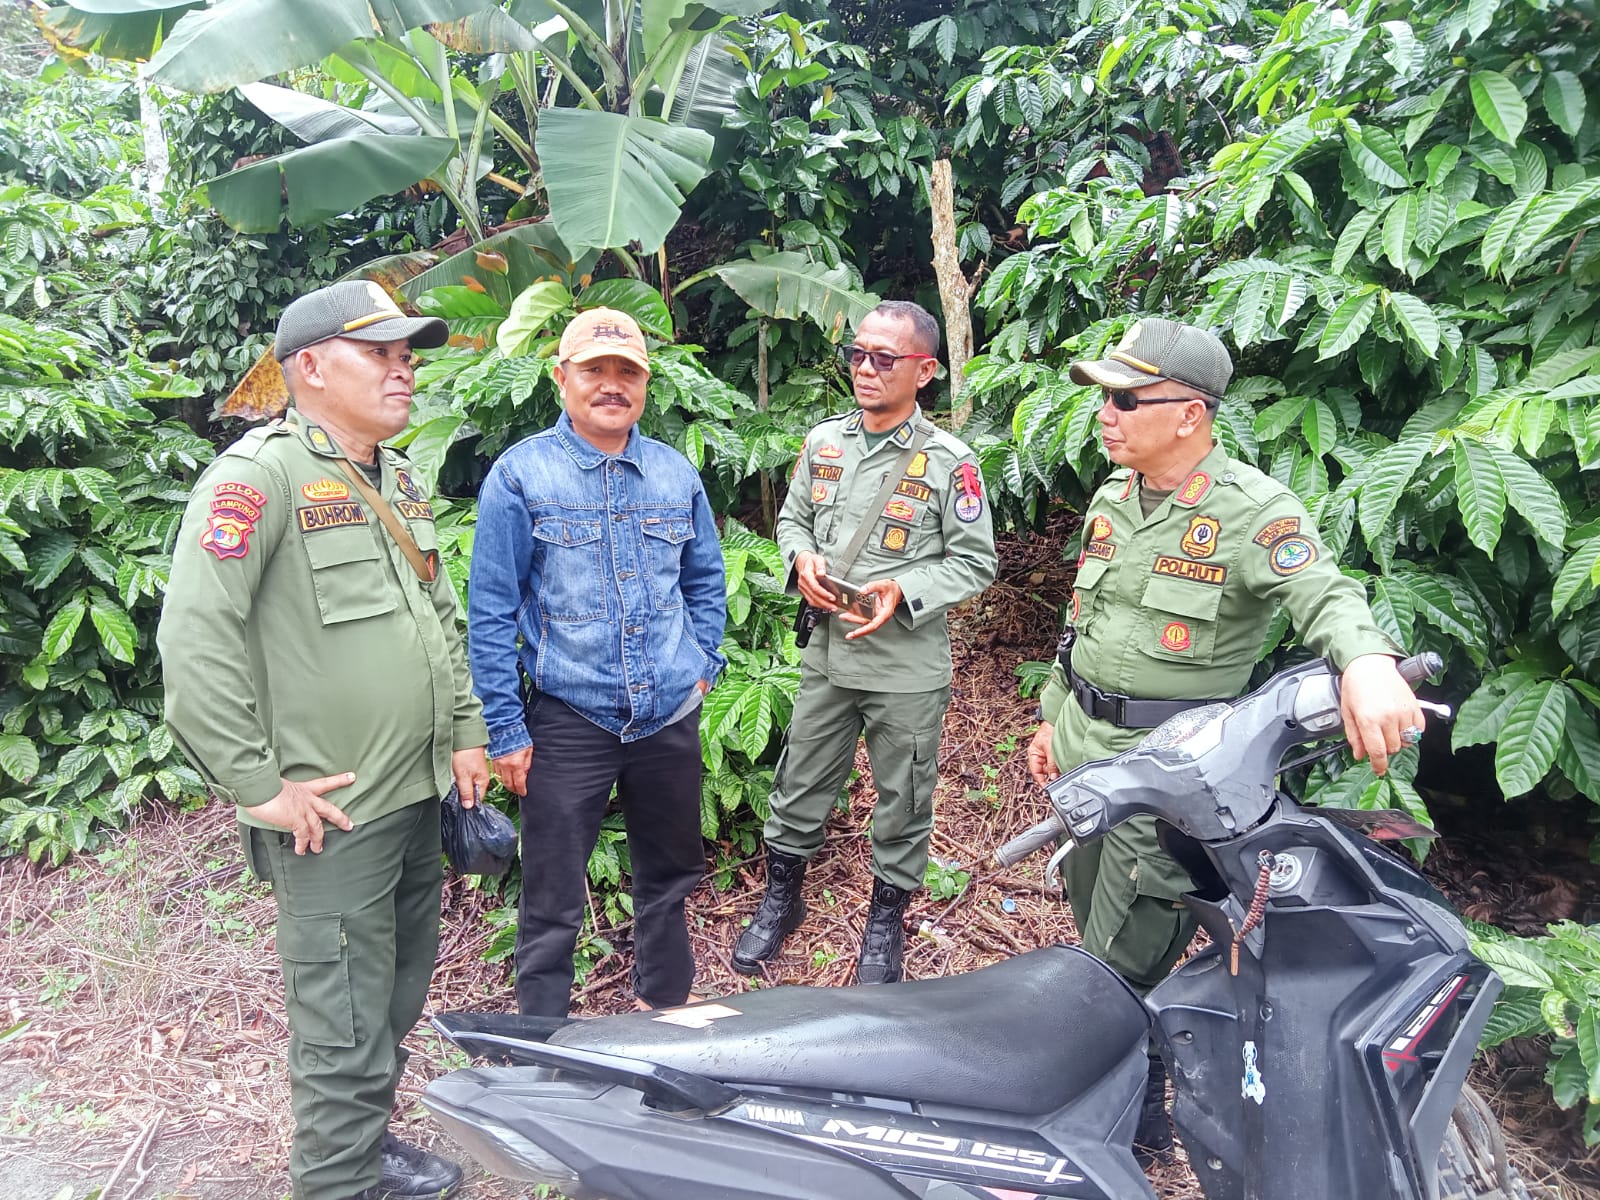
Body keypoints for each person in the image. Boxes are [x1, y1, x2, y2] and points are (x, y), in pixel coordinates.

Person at [1025, 317, 1426, 1160]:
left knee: (1124, 955)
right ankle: (1121, 1076)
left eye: (1125, 400)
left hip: (1169, 777)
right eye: (1105, 398)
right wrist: (1054, 713)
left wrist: (1366, 663)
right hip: (1086, 747)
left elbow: (1324, 593)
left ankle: (1126, 1114)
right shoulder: (1115, 497)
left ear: (1189, 414)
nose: (1105, 414)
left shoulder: (1253, 512)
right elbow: (1084, 618)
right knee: (1093, 926)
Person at [158, 279, 491, 1200]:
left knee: (394, 995)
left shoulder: (395, 475)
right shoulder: (256, 478)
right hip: (333, 815)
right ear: (309, 367)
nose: (403, 369)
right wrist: (257, 786)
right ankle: (337, 1182)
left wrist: (465, 729)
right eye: (379, 354)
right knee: (341, 1023)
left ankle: (366, 1150)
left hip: (413, 794)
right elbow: (195, 641)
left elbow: (437, 611)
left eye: (405, 354)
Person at [468, 307, 727, 1018]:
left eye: (627, 372)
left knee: (669, 876)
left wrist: (704, 663)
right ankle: (542, 1037)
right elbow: (491, 610)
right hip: (569, 717)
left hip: (667, 712)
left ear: (645, 384)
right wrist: (505, 728)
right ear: (562, 378)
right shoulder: (521, 475)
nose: (611, 385)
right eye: (594, 370)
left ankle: (665, 1006)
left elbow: (705, 580)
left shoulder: (675, 473)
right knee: (552, 891)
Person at [733, 300, 998, 986]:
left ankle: (885, 924)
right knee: (799, 781)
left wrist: (902, 590)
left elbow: (975, 562)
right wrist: (800, 560)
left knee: (903, 797)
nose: (866, 368)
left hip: (905, 667)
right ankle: (782, 899)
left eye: (885, 358)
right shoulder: (824, 442)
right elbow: (793, 520)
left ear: (925, 372)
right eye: (858, 354)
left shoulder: (950, 462)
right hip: (827, 656)